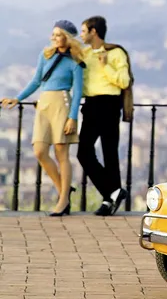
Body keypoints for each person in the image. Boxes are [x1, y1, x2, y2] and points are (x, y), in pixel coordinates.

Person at [1, 20, 84, 216]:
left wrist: (72, 118)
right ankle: (63, 189)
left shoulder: (76, 62)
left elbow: (78, 92)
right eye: (53, 34)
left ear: (68, 38)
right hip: (44, 104)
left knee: (61, 153)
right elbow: (36, 81)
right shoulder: (45, 56)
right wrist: (18, 98)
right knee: (39, 151)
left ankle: (63, 200)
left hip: (62, 104)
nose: (53, 38)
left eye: (58, 35)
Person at [78, 16, 129, 216]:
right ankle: (113, 191)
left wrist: (105, 65)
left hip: (109, 104)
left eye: (84, 31)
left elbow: (124, 81)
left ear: (94, 32)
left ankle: (109, 199)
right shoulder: (84, 54)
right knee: (84, 152)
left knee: (110, 152)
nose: (81, 35)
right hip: (91, 105)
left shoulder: (116, 53)